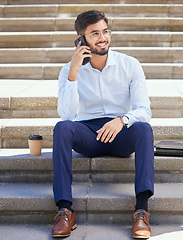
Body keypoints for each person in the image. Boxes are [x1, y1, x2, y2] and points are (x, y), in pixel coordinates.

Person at [51, 10, 155, 239]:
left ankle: (141, 210)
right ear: (81, 40)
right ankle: (65, 209)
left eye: (105, 31)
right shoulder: (68, 70)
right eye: (94, 33)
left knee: (144, 129)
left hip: (121, 133)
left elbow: (144, 110)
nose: (103, 38)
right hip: (88, 134)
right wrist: (74, 74)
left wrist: (122, 120)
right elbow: (67, 115)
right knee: (61, 128)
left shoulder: (130, 64)